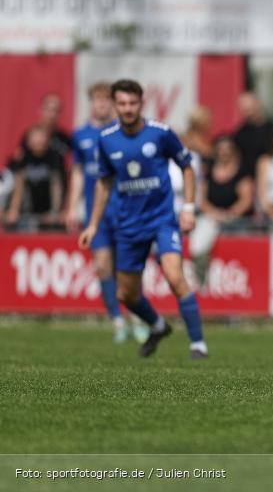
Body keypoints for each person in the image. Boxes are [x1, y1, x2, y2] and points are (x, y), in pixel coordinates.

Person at [78, 79, 209, 360]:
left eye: (132, 103)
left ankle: (198, 344)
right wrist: (92, 224)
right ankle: (158, 325)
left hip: (162, 219)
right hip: (128, 225)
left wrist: (187, 207)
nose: (127, 109)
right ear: (115, 105)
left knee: (175, 276)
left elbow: (187, 167)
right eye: (122, 104)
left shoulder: (160, 133)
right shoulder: (106, 138)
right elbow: (103, 183)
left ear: (141, 103)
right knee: (126, 295)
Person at [64, 82, 148, 343]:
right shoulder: (80, 135)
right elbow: (78, 172)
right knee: (102, 267)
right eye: (96, 100)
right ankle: (117, 320)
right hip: (96, 214)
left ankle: (137, 316)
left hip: (125, 211)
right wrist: (71, 205)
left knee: (128, 269)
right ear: (91, 103)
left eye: (104, 100)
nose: (100, 105)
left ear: (111, 104)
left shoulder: (122, 133)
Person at [192, 136, 254, 286]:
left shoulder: (242, 172)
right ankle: (200, 278)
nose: (224, 153)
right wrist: (216, 214)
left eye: (228, 149)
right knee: (198, 241)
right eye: (221, 149)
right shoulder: (208, 173)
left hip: (238, 221)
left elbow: (246, 200)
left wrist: (230, 214)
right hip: (212, 218)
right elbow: (202, 200)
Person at [5, 126, 64, 229]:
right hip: (27, 211)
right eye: (35, 140)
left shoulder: (54, 158)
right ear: (29, 142)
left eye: (41, 139)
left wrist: (54, 212)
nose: (38, 143)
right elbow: (19, 186)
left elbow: (56, 186)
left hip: (48, 210)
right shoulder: (23, 158)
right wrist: (14, 210)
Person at [232, 92, 273, 178]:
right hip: (250, 179)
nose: (248, 113)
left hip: (272, 176)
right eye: (244, 110)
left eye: (250, 109)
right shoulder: (239, 135)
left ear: (258, 105)